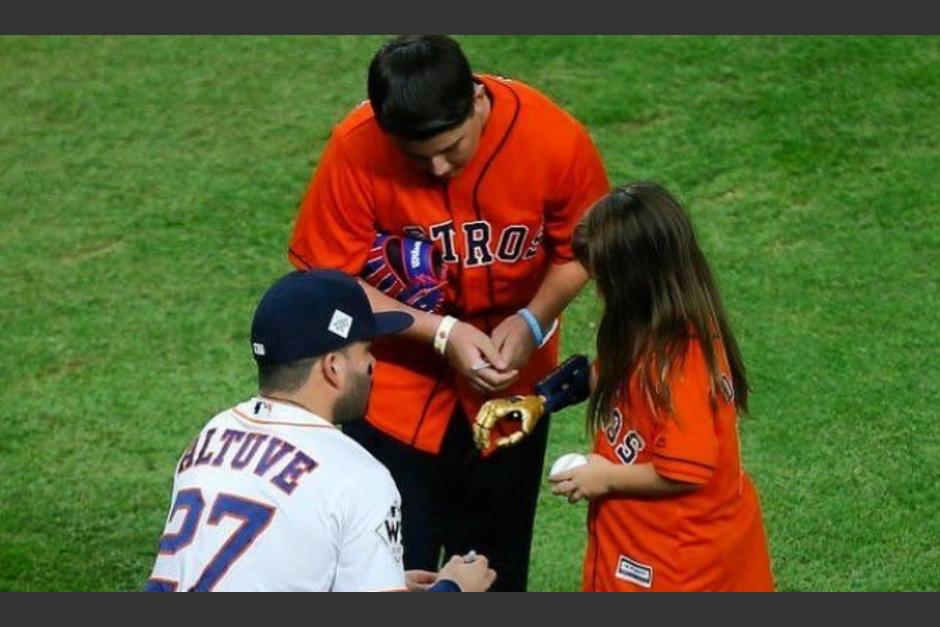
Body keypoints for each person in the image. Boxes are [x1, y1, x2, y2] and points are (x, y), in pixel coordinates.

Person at [287, 35, 609, 590]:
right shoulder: (356, 148)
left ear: (477, 101)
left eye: (452, 147)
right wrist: (440, 333)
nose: (437, 167)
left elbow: (585, 246)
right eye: (418, 156)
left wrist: (533, 319)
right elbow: (323, 282)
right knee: (383, 579)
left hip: (512, 396)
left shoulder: (552, 138)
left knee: (495, 572)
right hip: (390, 394)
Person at [145, 269, 495, 592]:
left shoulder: (212, 434)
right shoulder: (359, 476)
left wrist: (379, 579)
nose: (373, 363)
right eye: (365, 350)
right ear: (333, 368)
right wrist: (454, 588)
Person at [550, 183, 774, 592]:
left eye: (607, 281)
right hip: (643, 542)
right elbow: (629, 381)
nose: (599, 291)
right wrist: (574, 385)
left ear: (639, 280)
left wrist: (606, 477)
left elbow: (686, 470)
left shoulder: (679, 364)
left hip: (679, 560)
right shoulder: (652, 325)